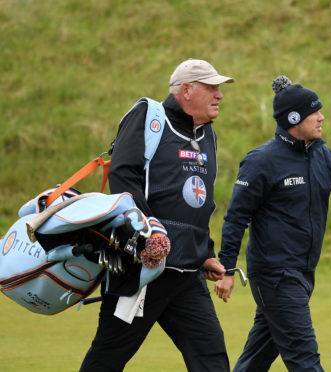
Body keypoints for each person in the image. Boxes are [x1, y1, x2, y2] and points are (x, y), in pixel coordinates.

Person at [214, 75, 331, 371]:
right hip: (276, 276)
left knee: (256, 360)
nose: (322, 117)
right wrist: (227, 268)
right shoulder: (261, 161)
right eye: (314, 112)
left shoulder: (321, 154)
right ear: (294, 118)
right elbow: (236, 218)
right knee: (306, 361)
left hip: (303, 274)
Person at [80, 59, 234, 372]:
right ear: (187, 91)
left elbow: (198, 206)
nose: (220, 95)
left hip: (186, 275)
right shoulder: (149, 117)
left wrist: (205, 254)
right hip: (142, 271)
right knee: (107, 358)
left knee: (211, 358)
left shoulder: (209, 137)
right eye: (212, 87)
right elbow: (123, 178)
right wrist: (150, 231)